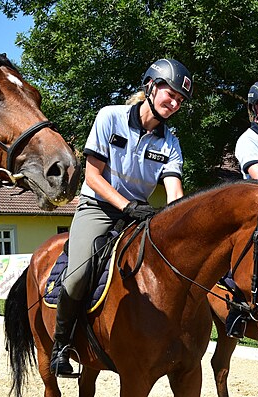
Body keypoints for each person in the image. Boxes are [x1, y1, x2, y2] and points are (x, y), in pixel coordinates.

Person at [49, 58, 192, 377]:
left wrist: (178, 222)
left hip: (139, 215)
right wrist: (127, 205)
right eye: (170, 94)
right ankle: (61, 346)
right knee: (78, 275)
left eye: (180, 101)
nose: (174, 103)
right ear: (151, 88)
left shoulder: (170, 141)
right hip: (98, 207)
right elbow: (94, 176)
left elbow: (174, 190)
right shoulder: (109, 117)